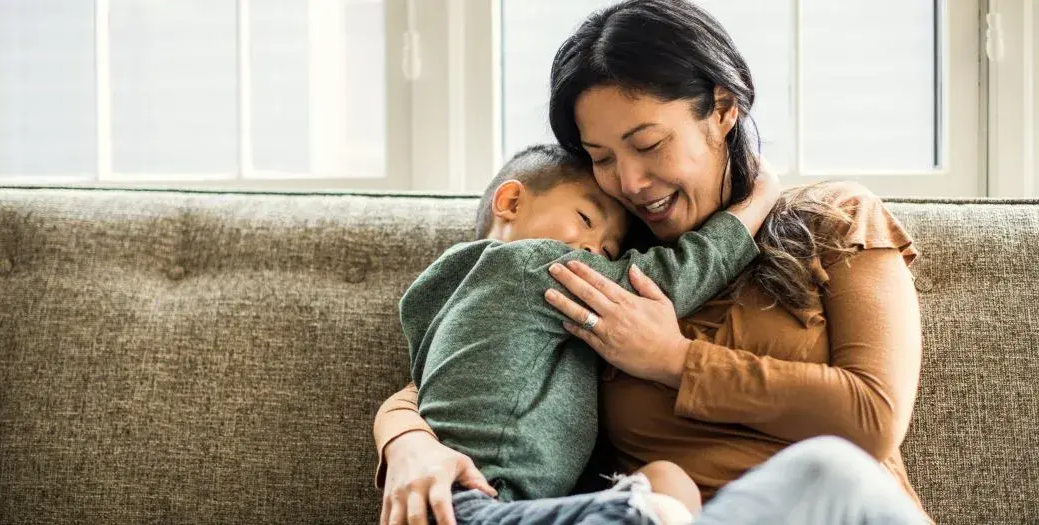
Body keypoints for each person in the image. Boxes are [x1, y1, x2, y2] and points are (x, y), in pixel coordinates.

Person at [375, 1, 931, 524]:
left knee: (828, 471)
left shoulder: (834, 218)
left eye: (648, 144)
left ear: (722, 108)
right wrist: (408, 445)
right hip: (668, 514)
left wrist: (671, 359)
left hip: (829, 507)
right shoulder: (607, 266)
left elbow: (873, 419)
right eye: (602, 159)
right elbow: (461, 364)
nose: (630, 183)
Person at [401, 142, 779, 524]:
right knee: (655, 507)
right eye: (585, 219)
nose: (592, 251)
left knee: (666, 482)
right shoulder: (531, 263)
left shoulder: (441, 293)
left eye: (609, 251)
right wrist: (758, 199)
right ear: (512, 201)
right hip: (479, 502)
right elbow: (668, 278)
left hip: (471, 503)